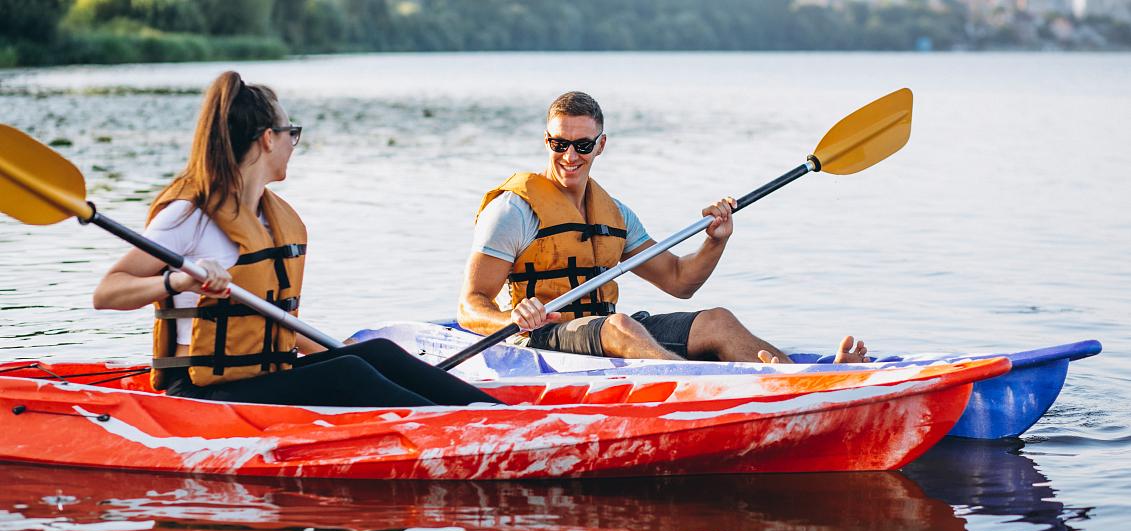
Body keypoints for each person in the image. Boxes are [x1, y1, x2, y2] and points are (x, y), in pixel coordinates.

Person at [93, 71, 501, 407]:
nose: (294, 144)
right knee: (350, 373)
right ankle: (463, 429)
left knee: (374, 354)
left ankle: (495, 415)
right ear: (268, 138)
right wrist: (178, 281)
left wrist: (354, 357)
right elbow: (108, 292)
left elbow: (277, 322)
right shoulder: (190, 215)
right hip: (203, 393)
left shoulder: (270, 217)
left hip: (262, 378)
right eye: (292, 133)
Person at [457, 91, 869, 365]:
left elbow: (680, 281)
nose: (569, 155)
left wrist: (715, 241)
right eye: (559, 143)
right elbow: (470, 307)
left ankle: (808, 382)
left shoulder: (614, 214)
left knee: (718, 321)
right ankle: (710, 388)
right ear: (546, 140)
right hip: (541, 339)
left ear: (600, 145)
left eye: (582, 145)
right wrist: (514, 316)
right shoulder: (515, 209)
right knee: (621, 327)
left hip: (601, 332)